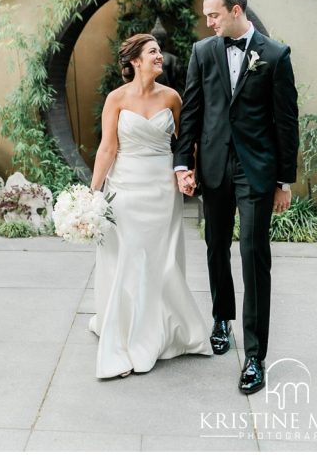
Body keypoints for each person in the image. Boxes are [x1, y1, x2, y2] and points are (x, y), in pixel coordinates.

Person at [174, 0, 298, 395]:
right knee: (215, 247)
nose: (208, 22)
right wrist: (182, 164)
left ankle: (256, 356)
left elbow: (286, 123)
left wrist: (283, 180)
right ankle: (221, 318)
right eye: (206, 16)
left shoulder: (276, 56)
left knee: (253, 254)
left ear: (236, 10)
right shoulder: (202, 52)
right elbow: (192, 110)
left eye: (213, 14)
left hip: (256, 170)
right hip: (213, 167)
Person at [88, 33, 211, 378]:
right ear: (135, 61)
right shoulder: (116, 98)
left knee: (160, 259)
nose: (160, 56)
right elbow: (107, 149)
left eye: (158, 51)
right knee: (127, 257)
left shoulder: (172, 97)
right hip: (125, 187)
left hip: (161, 188)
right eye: (153, 52)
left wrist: (190, 172)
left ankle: (157, 331)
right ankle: (124, 334)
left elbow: (186, 143)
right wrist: (93, 192)